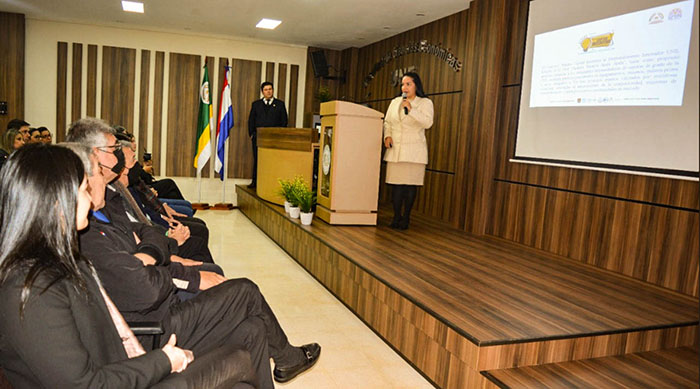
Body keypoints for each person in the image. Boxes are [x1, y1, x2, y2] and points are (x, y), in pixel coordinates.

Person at [0, 144, 256, 388]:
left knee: (249, 337)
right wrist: (164, 361)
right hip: (119, 375)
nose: (90, 200)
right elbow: (85, 384)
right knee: (239, 360)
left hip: (124, 367)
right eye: (82, 190)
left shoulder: (64, 258)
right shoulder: (30, 288)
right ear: (55, 202)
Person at [382, 72, 434, 230]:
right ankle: (396, 216)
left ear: (416, 85)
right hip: (396, 149)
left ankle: (406, 218)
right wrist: (387, 136)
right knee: (396, 186)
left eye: (408, 84)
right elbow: (388, 122)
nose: (404, 87)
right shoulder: (395, 102)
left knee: (410, 186)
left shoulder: (425, 103)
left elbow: (428, 123)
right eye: (403, 84)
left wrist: (411, 110)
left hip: (414, 151)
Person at [247, 81, 288, 189]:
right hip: (258, 138)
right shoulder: (256, 104)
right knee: (257, 160)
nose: (268, 91)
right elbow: (251, 120)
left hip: (274, 139)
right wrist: (252, 134)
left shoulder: (280, 104)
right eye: (266, 90)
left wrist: (280, 135)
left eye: (270, 89)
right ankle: (255, 182)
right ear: (262, 92)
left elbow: (284, 121)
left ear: (273, 90)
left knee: (273, 161)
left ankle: (272, 183)